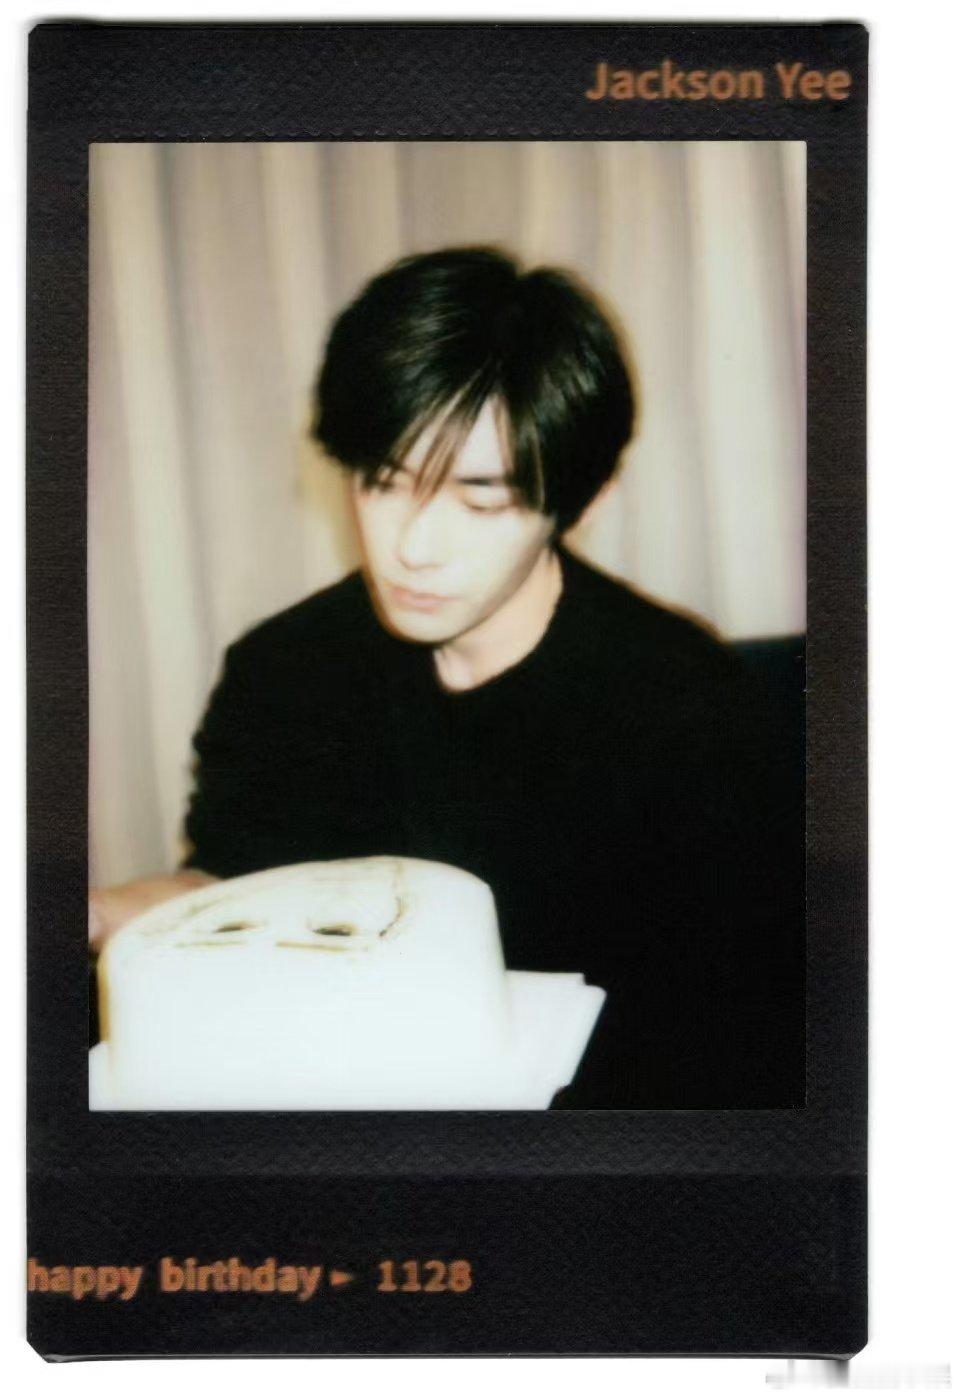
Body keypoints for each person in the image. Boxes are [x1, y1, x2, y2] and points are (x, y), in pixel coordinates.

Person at [90, 246, 803, 1108]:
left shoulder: (685, 706)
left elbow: (729, 1035)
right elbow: (231, 887)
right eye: (383, 483)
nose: (413, 548)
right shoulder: (284, 667)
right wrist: (99, 913)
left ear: (580, 500)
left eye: (481, 500)